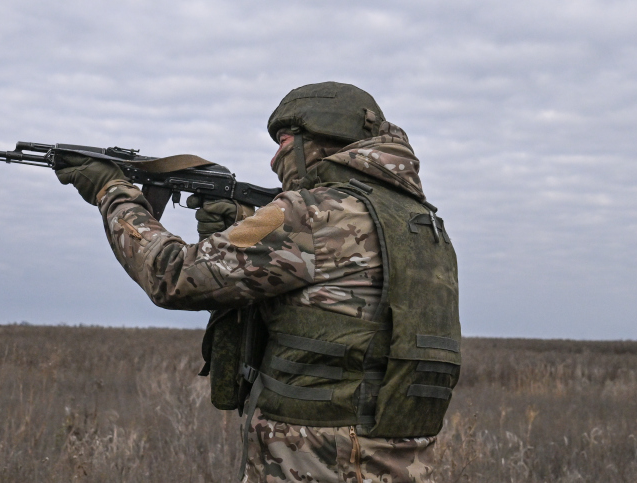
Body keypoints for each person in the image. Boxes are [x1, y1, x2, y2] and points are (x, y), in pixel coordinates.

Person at [56, 82, 461, 483]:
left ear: (321, 139)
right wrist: (243, 220)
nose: (273, 160)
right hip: (395, 459)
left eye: (284, 142)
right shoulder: (422, 224)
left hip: (315, 462)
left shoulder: (305, 213)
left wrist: (113, 193)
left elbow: (173, 274)